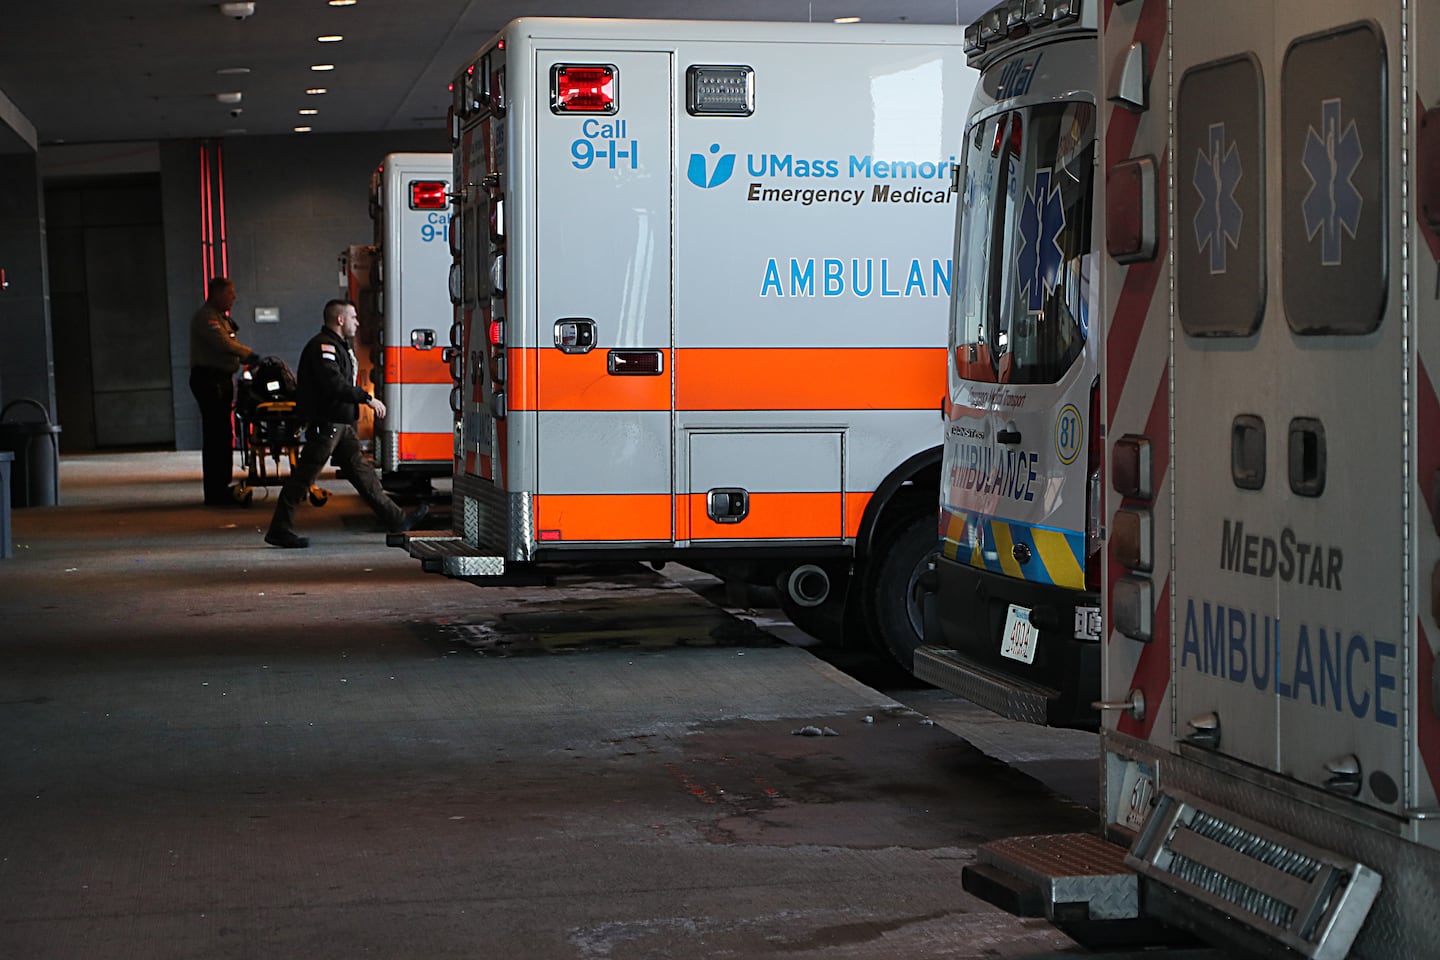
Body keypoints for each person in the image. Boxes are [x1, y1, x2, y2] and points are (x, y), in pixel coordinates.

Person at [265, 299, 427, 548]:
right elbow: (335, 385)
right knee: (303, 478)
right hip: (327, 424)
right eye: (353, 317)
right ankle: (279, 529)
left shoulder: (337, 346)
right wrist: (367, 398)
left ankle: (397, 520)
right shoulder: (323, 348)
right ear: (340, 320)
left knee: (364, 475)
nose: (357, 322)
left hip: (340, 425)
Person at [189, 276, 259, 506]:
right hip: (210, 381)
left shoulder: (220, 319)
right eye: (230, 292)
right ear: (217, 294)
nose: (234, 297)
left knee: (223, 434)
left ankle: (221, 485)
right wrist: (248, 354)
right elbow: (223, 344)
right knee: (216, 436)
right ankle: (215, 490)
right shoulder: (207, 318)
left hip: (220, 380)